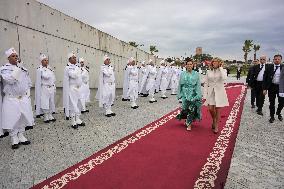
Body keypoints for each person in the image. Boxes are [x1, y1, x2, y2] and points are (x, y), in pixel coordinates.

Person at [0, 47, 31, 149]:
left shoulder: (23, 68)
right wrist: (18, 68)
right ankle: (14, 137)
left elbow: (28, 82)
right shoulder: (4, 69)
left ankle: (21, 135)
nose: (15, 58)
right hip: (11, 99)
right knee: (13, 118)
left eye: (16, 56)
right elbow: (10, 80)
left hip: (23, 98)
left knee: (22, 117)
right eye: (13, 56)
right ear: (8, 58)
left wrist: (27, 94)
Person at [204, 57, 229, 134]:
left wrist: (221, 68)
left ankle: (216, 125)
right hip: (211, 92)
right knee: (211, 109)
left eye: (216, 62)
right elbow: (206, 83)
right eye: (213, 62)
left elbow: (225, 78)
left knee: (218, 109)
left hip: (219, 92)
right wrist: (205, 95)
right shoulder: (208, 71)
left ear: (219, 63)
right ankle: (214, 119)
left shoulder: (223, 70)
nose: (214, 63)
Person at [176, 60, 202, 131]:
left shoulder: (196, 74)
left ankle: (189, 124)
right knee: (185, 108)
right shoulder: (183, 74)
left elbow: (198, 84)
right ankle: (187, 120)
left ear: (193, 65)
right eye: (188, 64)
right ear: (186, 65)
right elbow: (180, 84)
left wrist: (198, 94)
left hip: (193, 93)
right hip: (185, 93)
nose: (189, 65)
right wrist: (179, 94)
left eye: (191, 64)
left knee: (192, 108)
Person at [63, 52, 86, 129]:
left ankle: (78, 119)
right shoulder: (68, 68)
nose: (75, 59)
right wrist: (78, 69)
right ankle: (73, 121)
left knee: (79, 103)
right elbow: (73, 75)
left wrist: (78, 68)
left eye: (75, 57)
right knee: (73, 105)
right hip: (72, 88)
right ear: (69, 59)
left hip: (79, 88)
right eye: (73, 58)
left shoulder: (77, 67)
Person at [35, 54, 56, 123]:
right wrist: (50, 72)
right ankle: (46, 116)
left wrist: (54, 87)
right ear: (41, 61)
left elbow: (53, 78)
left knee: (51, 101)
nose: (46, 61)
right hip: (44, 87)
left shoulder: (50, 68)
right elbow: (45, 76)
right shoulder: (39, 69)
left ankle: (50, 114)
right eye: (44, 60)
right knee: (45, 101)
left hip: (51, 87)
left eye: (47, 60)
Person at [263, 54, 283, 123]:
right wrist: (264, 88)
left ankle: (278, 112)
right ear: (273, 60)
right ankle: (272, 117)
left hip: (281, 87)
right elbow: (265, 78)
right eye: (275, 59)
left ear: (281, 60)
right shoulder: (269, 67)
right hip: (271, 87)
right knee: (272, 103)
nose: (277, 60)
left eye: (278, 59)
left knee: (282, 102)